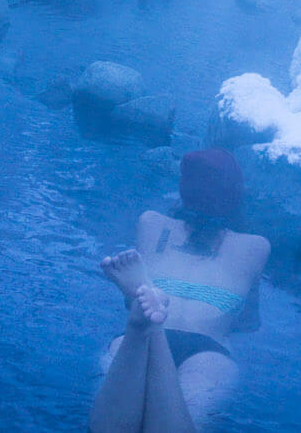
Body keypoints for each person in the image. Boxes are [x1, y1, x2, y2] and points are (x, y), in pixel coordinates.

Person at [90, 148, 270, 433]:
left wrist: (137, 298)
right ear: (236, 193)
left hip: (136, 331)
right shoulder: (256, 246)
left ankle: (148, 323)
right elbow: (247, 322)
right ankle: (152, 321)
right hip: (208, 349)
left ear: (184, 188)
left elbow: (130, 303)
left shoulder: (150, 222)